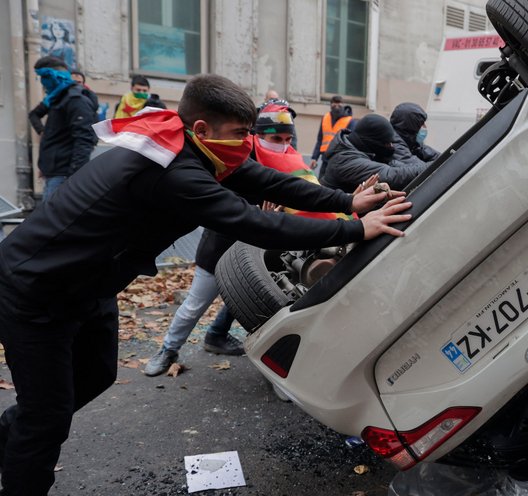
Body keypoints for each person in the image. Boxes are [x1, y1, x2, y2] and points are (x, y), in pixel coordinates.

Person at [0, 74, 411, 494]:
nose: (248, 142)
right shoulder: (173, 172)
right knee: (46, 419)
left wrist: (347, 202)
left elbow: (267, 181)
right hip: (37, 289)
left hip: (88, 286)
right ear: (201, 127)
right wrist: (355, 229)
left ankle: (10, 440)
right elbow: (255, 223)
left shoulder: (190, 145)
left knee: (96, 376)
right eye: (240, 133)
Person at [144, 101, 349, 376]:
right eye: (276, 139)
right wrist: (259, 215)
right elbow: (224, 206)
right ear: (257, 135)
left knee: (250, 299)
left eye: (288, 139)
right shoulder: (233, 158)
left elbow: (302, 193)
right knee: (195, 305)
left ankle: (217, 335)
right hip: (220, 249)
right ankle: (168, 350)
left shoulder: (289, 162)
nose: (283, 145)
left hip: (259, 253)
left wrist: (347, 205)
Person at [28, 56, 97, 202]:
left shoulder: (75, 100)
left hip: (64, 176)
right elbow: (54, 136)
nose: (42, 82)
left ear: (54, 76)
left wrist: (73, 177)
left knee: (55, 215)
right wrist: (46, 165)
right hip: (54, 174)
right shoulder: (57, 99)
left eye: (44, 77)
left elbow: (84, 140)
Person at [319, 114, 428, 192]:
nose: (391, 147)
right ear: (372, 141)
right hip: (337, 216)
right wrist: (430, 167)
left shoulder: (360, 149)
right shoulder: (345, 160)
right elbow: (391, 176)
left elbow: (392, 165)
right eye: (387, 143)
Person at [310, 95, 356, 171]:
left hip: (339, 160)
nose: (336, 106)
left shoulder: (350, 121)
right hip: (325, 158)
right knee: (322, 178)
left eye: (339, 103)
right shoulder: (325, 118)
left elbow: (352, 142)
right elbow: (320, 139)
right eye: (334, 103)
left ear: (342, 104)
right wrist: (315, 157)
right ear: (331, 105)